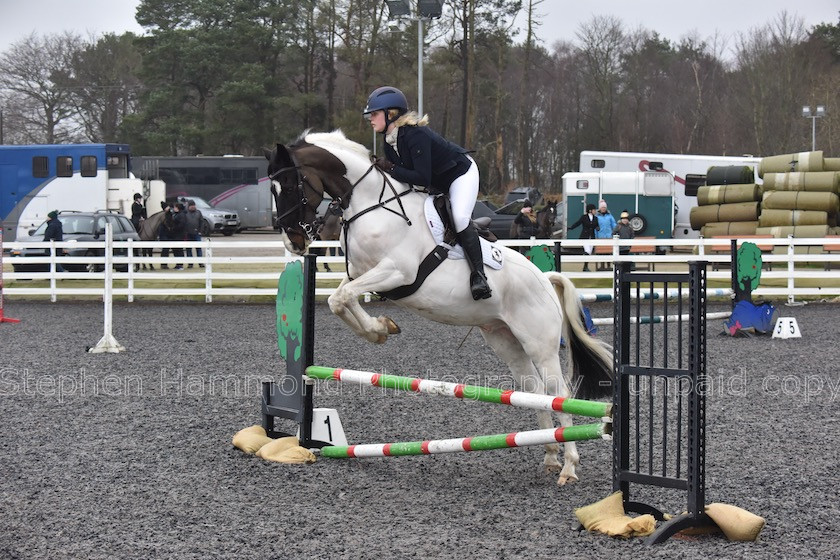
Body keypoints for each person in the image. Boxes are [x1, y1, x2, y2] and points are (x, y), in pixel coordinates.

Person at [363, 85, 491, 300]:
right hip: (437, 183)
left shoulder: (416, 135)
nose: (370, 118)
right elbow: (406, 180)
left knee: (459, 218)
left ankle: (480, 277)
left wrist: (391, 168)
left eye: (374, 114)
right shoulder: (389, 143)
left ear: (390, 113)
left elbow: (421, 177)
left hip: (460, 174)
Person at [567, 203, 599, 271]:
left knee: (589, 252)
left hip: (592, 237)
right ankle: (584, 264)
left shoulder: (596, 218)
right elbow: (578, 223)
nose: (595, 211)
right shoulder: (584, 217)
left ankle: (585, 266)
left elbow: (596, 225)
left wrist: (597, 227)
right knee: (587, 251)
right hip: (585, 236)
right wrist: (571, 227)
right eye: (594, 210)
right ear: (590, 210)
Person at [183, 200, 204, 268]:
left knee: (198, 249)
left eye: (194, 205)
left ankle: (200, 263)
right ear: (188, 206)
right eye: (191, 206)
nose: (193, 207)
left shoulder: (198, 212)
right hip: (188, 234)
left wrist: (200, 231)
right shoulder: (185, 213)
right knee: (189, 249)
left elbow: (202, 222)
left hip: (196, 234)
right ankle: (190, 263)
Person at [130, 193, 147, 271]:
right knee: (136, 223)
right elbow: (136, 213)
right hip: (136, 219)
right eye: (139, 198)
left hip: (141, 218)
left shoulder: (140, 205)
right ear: (136, 199)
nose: (140, 199)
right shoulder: (134, 205)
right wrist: (140, 215)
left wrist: (144, 217)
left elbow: (143, 213)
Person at [171, 202, 186, 269]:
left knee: (179, 250)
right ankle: (177, 263)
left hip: (179, 235)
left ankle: (180, 264)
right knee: (175, 250)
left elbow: (182, 225)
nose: (174, 208)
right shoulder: (175, 214)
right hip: (175, 235)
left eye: (175, 207)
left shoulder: (181, 215)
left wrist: (174, 228)